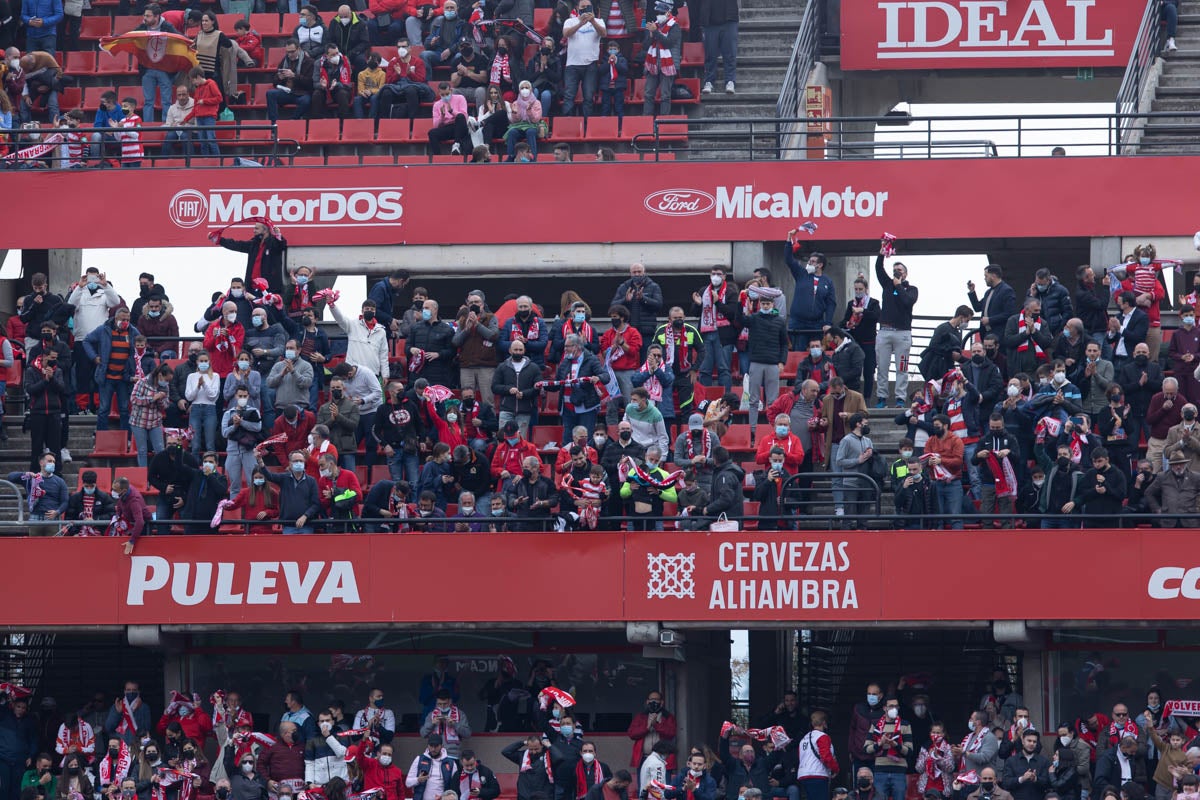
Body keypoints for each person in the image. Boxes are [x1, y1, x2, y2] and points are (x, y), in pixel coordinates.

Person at [874, 246, 919, 408]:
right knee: (882, 367)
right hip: (885, 332)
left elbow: (907, 301)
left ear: (905, 274)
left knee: (902, 367)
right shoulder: (887, 285)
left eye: (899, 270)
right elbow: (878, 268)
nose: (896, 272)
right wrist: (881, 253)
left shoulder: (912, 289)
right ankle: (881, 398)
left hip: (903, 334)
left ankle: (900, 398)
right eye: (894, 270)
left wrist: (899, 285)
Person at [693, 267, 739, 392]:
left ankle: (725, 399)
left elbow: (733, 313)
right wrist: (697, 304)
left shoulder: (730, 292)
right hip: (706, 334)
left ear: (724, 276)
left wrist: (718, 302)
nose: (715, 277)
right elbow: (696, 313)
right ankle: (705, 400)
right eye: (713, 274)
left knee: (723, 369)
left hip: (723, 336)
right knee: (704, 369)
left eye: (718, 274)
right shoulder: (704, 290)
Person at [785, 240, 837, 349]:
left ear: (820, 265)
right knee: (798, 352)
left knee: (816, 352)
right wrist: (788, 242)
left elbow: (831, 304)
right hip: (798, 323)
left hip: (816, 324)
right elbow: (789, 260)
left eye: (812, 261)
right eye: (809, 260)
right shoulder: (801, 274)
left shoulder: (828, 281)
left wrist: (828, 323)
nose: (809, 263)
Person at [561, 0, 606, 117]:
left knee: (588, 96)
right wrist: (580, 23)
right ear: (577, 8)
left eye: (588, 7)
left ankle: (587, 124)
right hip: (572, 64)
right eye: (583, 7)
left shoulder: (599, 21)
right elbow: (566, 34)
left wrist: (592, 21)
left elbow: (603, 33)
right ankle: (567, 123)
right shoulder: (570, 21)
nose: (585, 9)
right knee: (569, 95)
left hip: (590, 64)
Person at [1067, 447, 1126, 527]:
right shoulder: (1090, 473)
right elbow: (1082, 493)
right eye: (1094, 462)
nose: (1097, 464)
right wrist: (1095, 491)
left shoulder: (1118, 474)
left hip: (1111, 519)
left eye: (1100, 461)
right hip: (1091, 519)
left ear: (1107, 459)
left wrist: (1106, 489)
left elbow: (1121, 495)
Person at [641, 0, 680, 116]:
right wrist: (651, 35)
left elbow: (669, 43)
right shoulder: (654, 26)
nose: (659, 15)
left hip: (668, 65)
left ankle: (664, 122)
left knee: (665, 95)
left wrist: (656, 32)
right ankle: (646, 120)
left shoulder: (675, 26)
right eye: (658, 12)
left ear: (668, 13)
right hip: (652, 63)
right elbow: (645, 45)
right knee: (648, 94)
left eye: (661, 13)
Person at [1145, 451, 1200, 527]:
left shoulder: (1195, 477)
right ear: (1171, 465)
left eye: (1180, 464)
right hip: (1168, 520)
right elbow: (1149, 493)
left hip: (1190, 520)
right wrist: (1157, 509)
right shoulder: (1162, 477)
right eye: (1175, 464)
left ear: (1185, 464)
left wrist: (1198, 508)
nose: (1178, 467)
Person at [697, 0, 737, 94]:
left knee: (730, 53)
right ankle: (709, 81)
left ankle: (730, 80)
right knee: (710, 54)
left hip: (729, 19)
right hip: (709, 21)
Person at [968, 265, 1018, 340]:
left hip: (999, 334)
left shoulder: (1007, 290)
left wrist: (990, 320)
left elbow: (1010, 313)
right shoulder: (988, 292)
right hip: (986, 333)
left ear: (993, 276)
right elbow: (977, 307)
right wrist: (972, 291)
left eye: (986, 276)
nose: (984, 278)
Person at [1107, 292, 1149, 370]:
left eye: (1119, 303)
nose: (1117, 304)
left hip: (1130, 359)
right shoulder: (1118, 316)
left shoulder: (1141, 317)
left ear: (1126, 304)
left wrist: (1120, 328)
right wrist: (1112, 331)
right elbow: (1109, 340)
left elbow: (1137, 337)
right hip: (1116, 358)